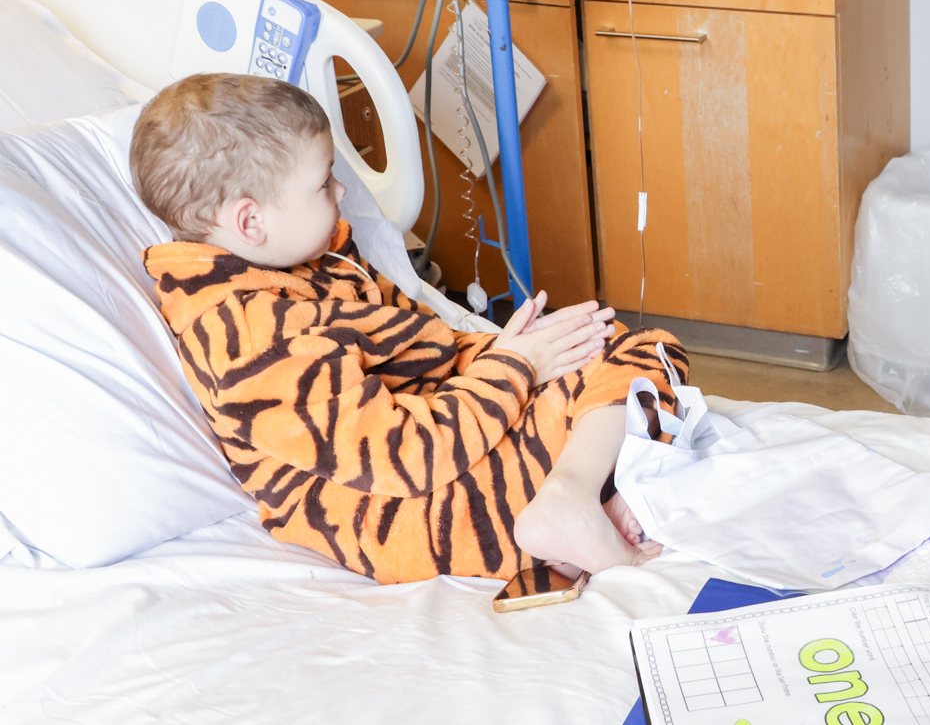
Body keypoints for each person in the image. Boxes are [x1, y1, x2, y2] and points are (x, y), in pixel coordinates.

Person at [133, 72, 688, 583]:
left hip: (457, 437)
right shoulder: (250, 341)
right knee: (639, 366)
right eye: (323, 184)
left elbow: (430, 345)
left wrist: (512, 349)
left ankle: (583, 504)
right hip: (419, 516)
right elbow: (405, 456)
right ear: (250, 222)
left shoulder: (317, 264)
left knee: (619, 349)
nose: (341, 193)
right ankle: (571, 500)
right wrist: (517, 367)